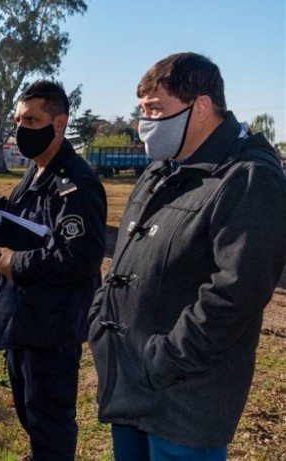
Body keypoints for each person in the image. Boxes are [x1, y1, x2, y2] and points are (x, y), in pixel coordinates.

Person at [88, 52, 286, 461]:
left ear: (200, 107)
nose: (145, 125)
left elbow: (236, 293)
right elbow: (126, 255)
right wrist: (100, 315)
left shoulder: (249, 177)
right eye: (142, 111)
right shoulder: (162, 167)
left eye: (156, 110)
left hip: (185, 400)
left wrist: (164, 358)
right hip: (129, 384)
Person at [0, 80, 107, 460]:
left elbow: (81, 257)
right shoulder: (37, 171)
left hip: (51, 327)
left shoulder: (75, 183)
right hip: (26, 319)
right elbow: (19, 217)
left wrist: (17, 263)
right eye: (19, 119)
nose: (22, 129)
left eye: (33, 120)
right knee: (32, 414)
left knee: (50, 421)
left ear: (60, 123)